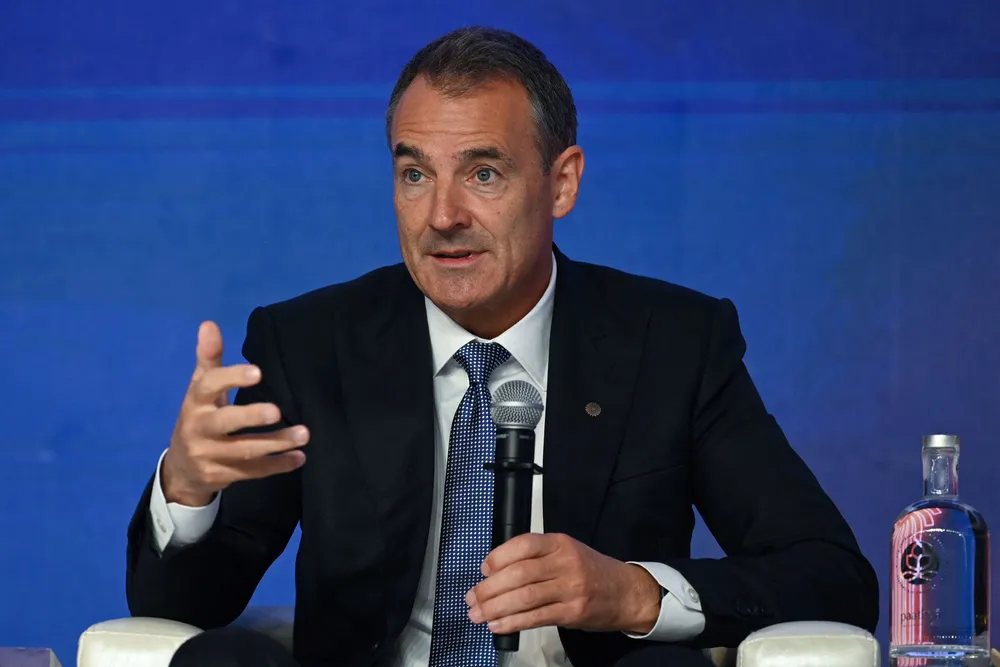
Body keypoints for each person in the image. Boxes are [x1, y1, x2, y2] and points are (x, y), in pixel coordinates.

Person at [125, 26, 879, 667]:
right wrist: (187, 490)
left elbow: (832, 576)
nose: (441, 215)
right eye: (414, 174)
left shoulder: (674, 344)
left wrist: (633, 592)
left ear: (562, 183)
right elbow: (185, 605)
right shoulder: (310, 345)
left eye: (482, 173)